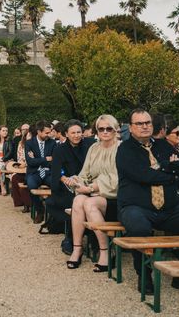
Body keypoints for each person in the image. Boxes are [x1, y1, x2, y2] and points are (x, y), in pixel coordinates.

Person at [116, 109, 179, 295]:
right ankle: (144, 274)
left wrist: (163, 167)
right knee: (139, 228)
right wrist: (170, 174)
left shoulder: (162, 146)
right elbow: (142, 175)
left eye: (148, 123)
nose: (145, 126)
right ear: (131, 127)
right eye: (140, 124)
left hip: (168, 208)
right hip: (137, 207)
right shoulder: (125, 150)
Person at [66, 115, 119, 271]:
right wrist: (78, 181)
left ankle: (106, 251)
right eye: (101, 128)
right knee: (78, 201)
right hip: (94, 195)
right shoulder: (93, 148)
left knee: (88, 202)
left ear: (115, 129)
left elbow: (118, 179)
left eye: (108, 128)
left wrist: (91, 188)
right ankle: (77, 248)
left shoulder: (121, 149)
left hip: (114, 197)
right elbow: (85, 173)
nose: (105, 131)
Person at [48, 120, 95, 243]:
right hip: (67, 185)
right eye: (73, 132)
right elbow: (57, 170)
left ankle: (93, 237)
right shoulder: (59, 149)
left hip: (88, 182)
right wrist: (66, 179)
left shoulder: (91, 145)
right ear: (66, 134)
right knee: (72, 202)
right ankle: (70, 238)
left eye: (79, 132)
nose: (76, 135)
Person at [25, 121, 57, 223]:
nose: (49, 135)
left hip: (48, 172)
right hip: (34, 172)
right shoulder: (29, 143)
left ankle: (52, 210)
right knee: (31, 185)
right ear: (39, 131)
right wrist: (46, 159)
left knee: (57, 185)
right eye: (46, 133)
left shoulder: (52, 143)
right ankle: (40, 210)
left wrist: (37, 160)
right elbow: (30, 162)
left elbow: (55, 160)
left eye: (50, 132)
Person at [10, 124, 32, 212]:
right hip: (22, 167)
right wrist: (20, 164)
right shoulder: (20, 144)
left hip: (30, 168)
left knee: (22, 180)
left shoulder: (34, 144)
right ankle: (21, 202)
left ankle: (27, 204)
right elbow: (19, 157)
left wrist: (26, 164)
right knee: (15, 178)